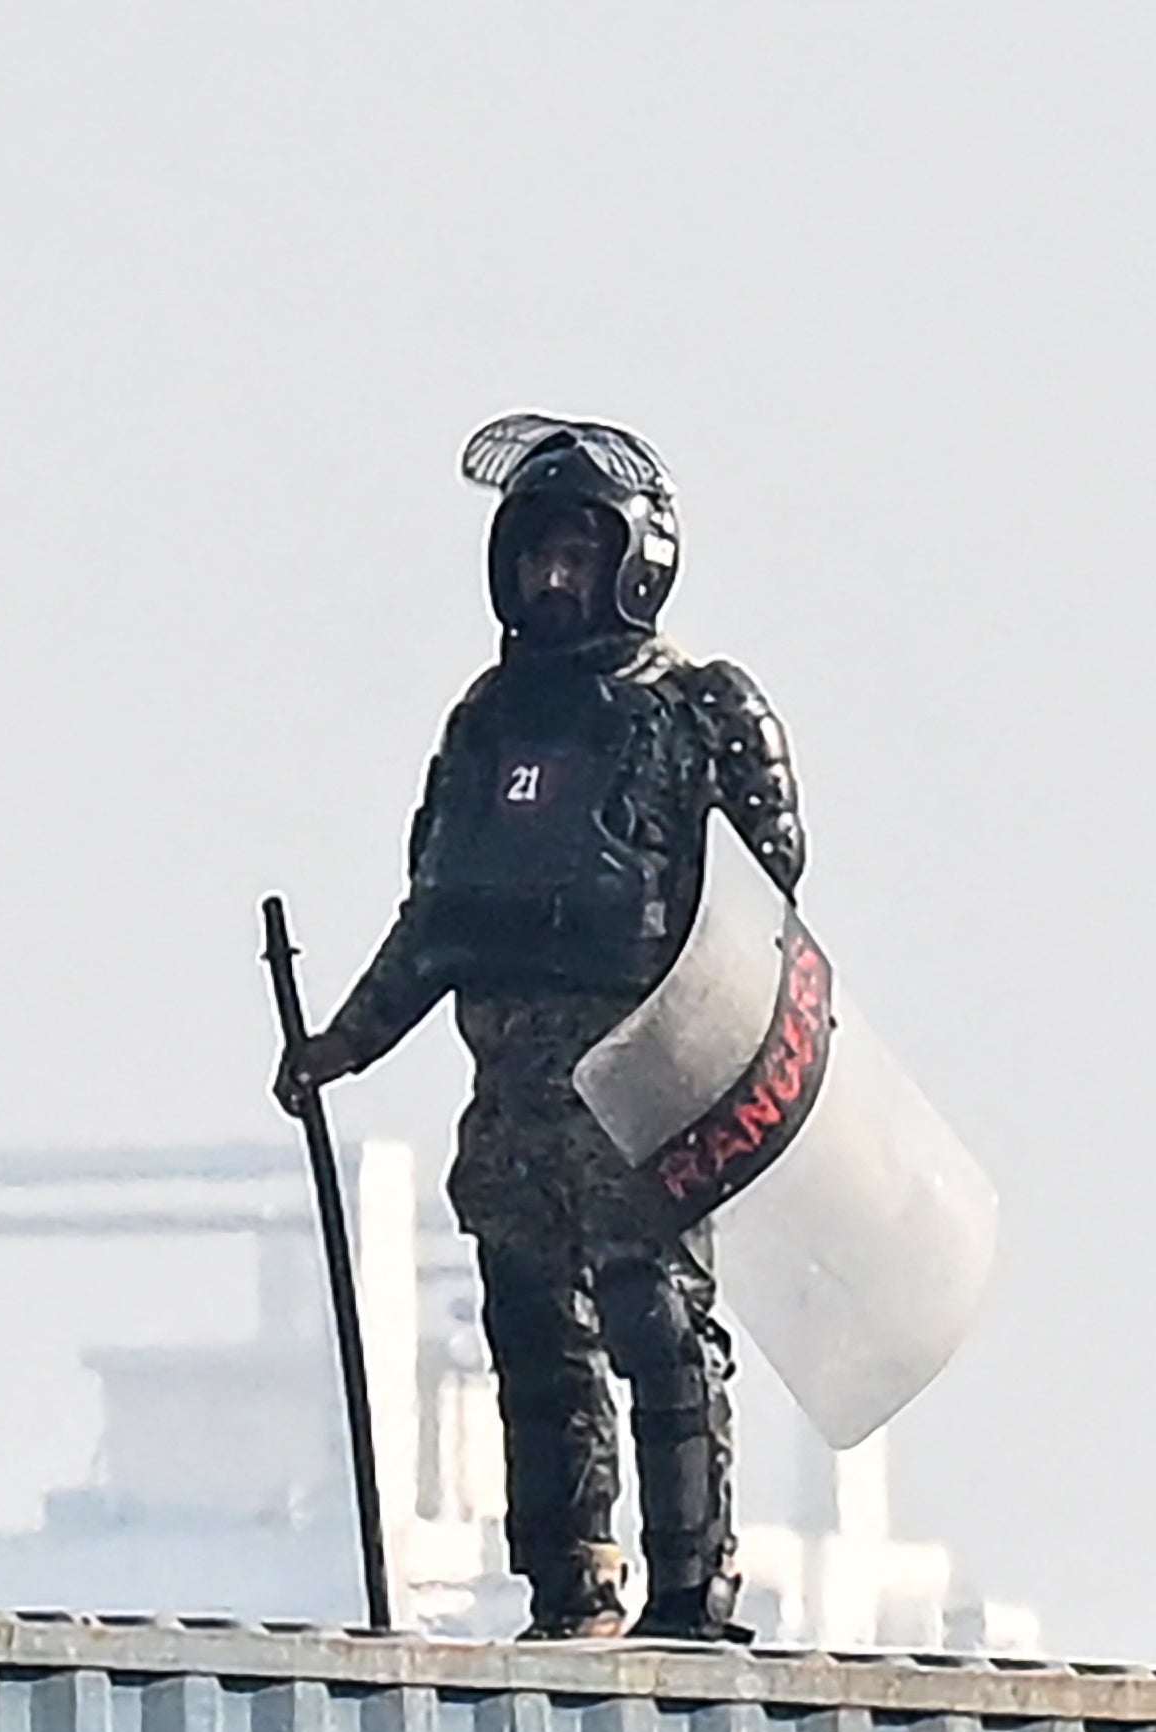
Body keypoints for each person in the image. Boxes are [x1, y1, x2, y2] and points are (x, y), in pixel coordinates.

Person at [279, 418, 807, 1641]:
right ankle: (568, 1591)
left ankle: (690, 1593)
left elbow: (765, 907)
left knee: (660, 1333)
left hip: (644, 1096)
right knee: (534, 1352)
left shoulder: (697, 713)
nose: (554, 581)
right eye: (535, 558)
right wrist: (341, 1046)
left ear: (634, 560)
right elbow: (438, 919)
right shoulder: (487, 726)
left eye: (578, 555)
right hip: (512, 1111)